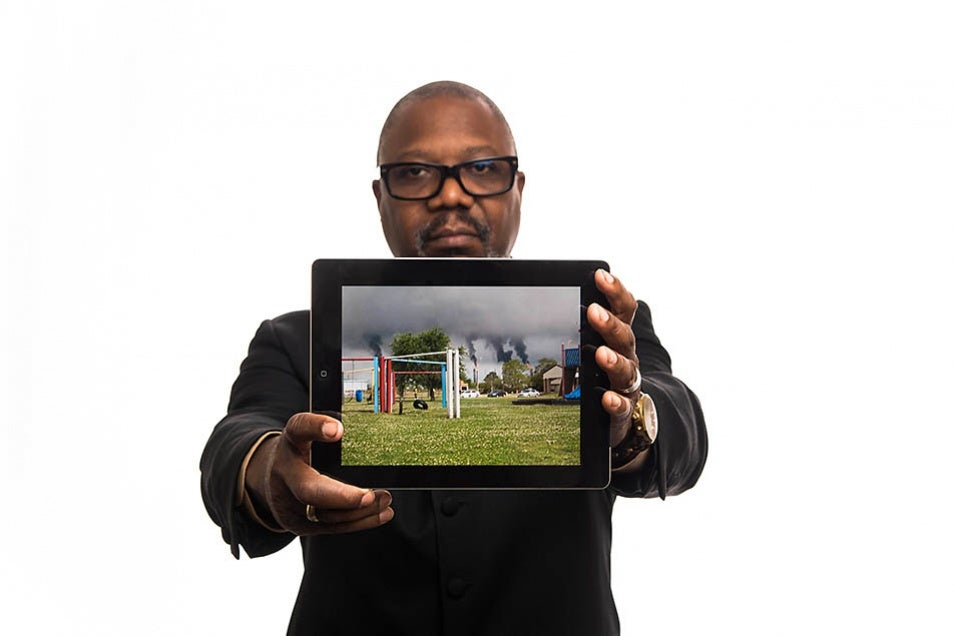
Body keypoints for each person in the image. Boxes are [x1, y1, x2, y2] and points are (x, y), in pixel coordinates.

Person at [200, 81, 707, 635]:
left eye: (483, 167)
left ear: (518, 187)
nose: (451, 196)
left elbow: (682, 432)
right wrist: (268, 469)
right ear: (380, 196)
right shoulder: (295, 338)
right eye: (415, 172)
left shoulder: (605, 325)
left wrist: (630, 421)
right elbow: (236, 441)